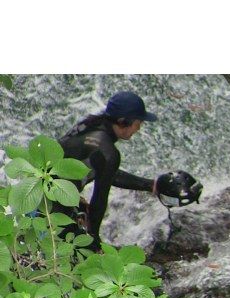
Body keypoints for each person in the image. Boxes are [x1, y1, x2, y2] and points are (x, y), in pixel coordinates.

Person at [57, 91, 202, 251]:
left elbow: (103, 170)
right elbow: (99, 202)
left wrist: (150, 185)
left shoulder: (87, 126)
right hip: (54, 212)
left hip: (43, 196)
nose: (139, 129)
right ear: (122, 121)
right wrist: (93, 241)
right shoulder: (108, 152)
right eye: (138, 123)